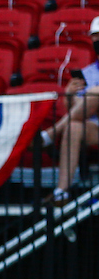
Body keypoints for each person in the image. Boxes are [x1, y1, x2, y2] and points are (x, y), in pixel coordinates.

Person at [38, 16, 99, 205]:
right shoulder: (88, 71)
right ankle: (61, 191)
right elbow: (75, 110)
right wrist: (70, 95)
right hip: (94, 128)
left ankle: (50, 134)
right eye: (94, 37)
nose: (97, 41)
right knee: (73, 127)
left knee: (96, 92)